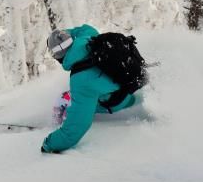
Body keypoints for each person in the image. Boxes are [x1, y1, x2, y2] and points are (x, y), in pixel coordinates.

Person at [41, 24, 138, 154]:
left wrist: (50, 144)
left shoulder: (80, 81)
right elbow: (85, 29)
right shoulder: (89, 38)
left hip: (119, 101)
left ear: (58, 56)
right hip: (128, 85)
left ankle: (61, 122)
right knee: (79, 97)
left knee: (70, 99)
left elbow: (77, 127)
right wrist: (63, 35)